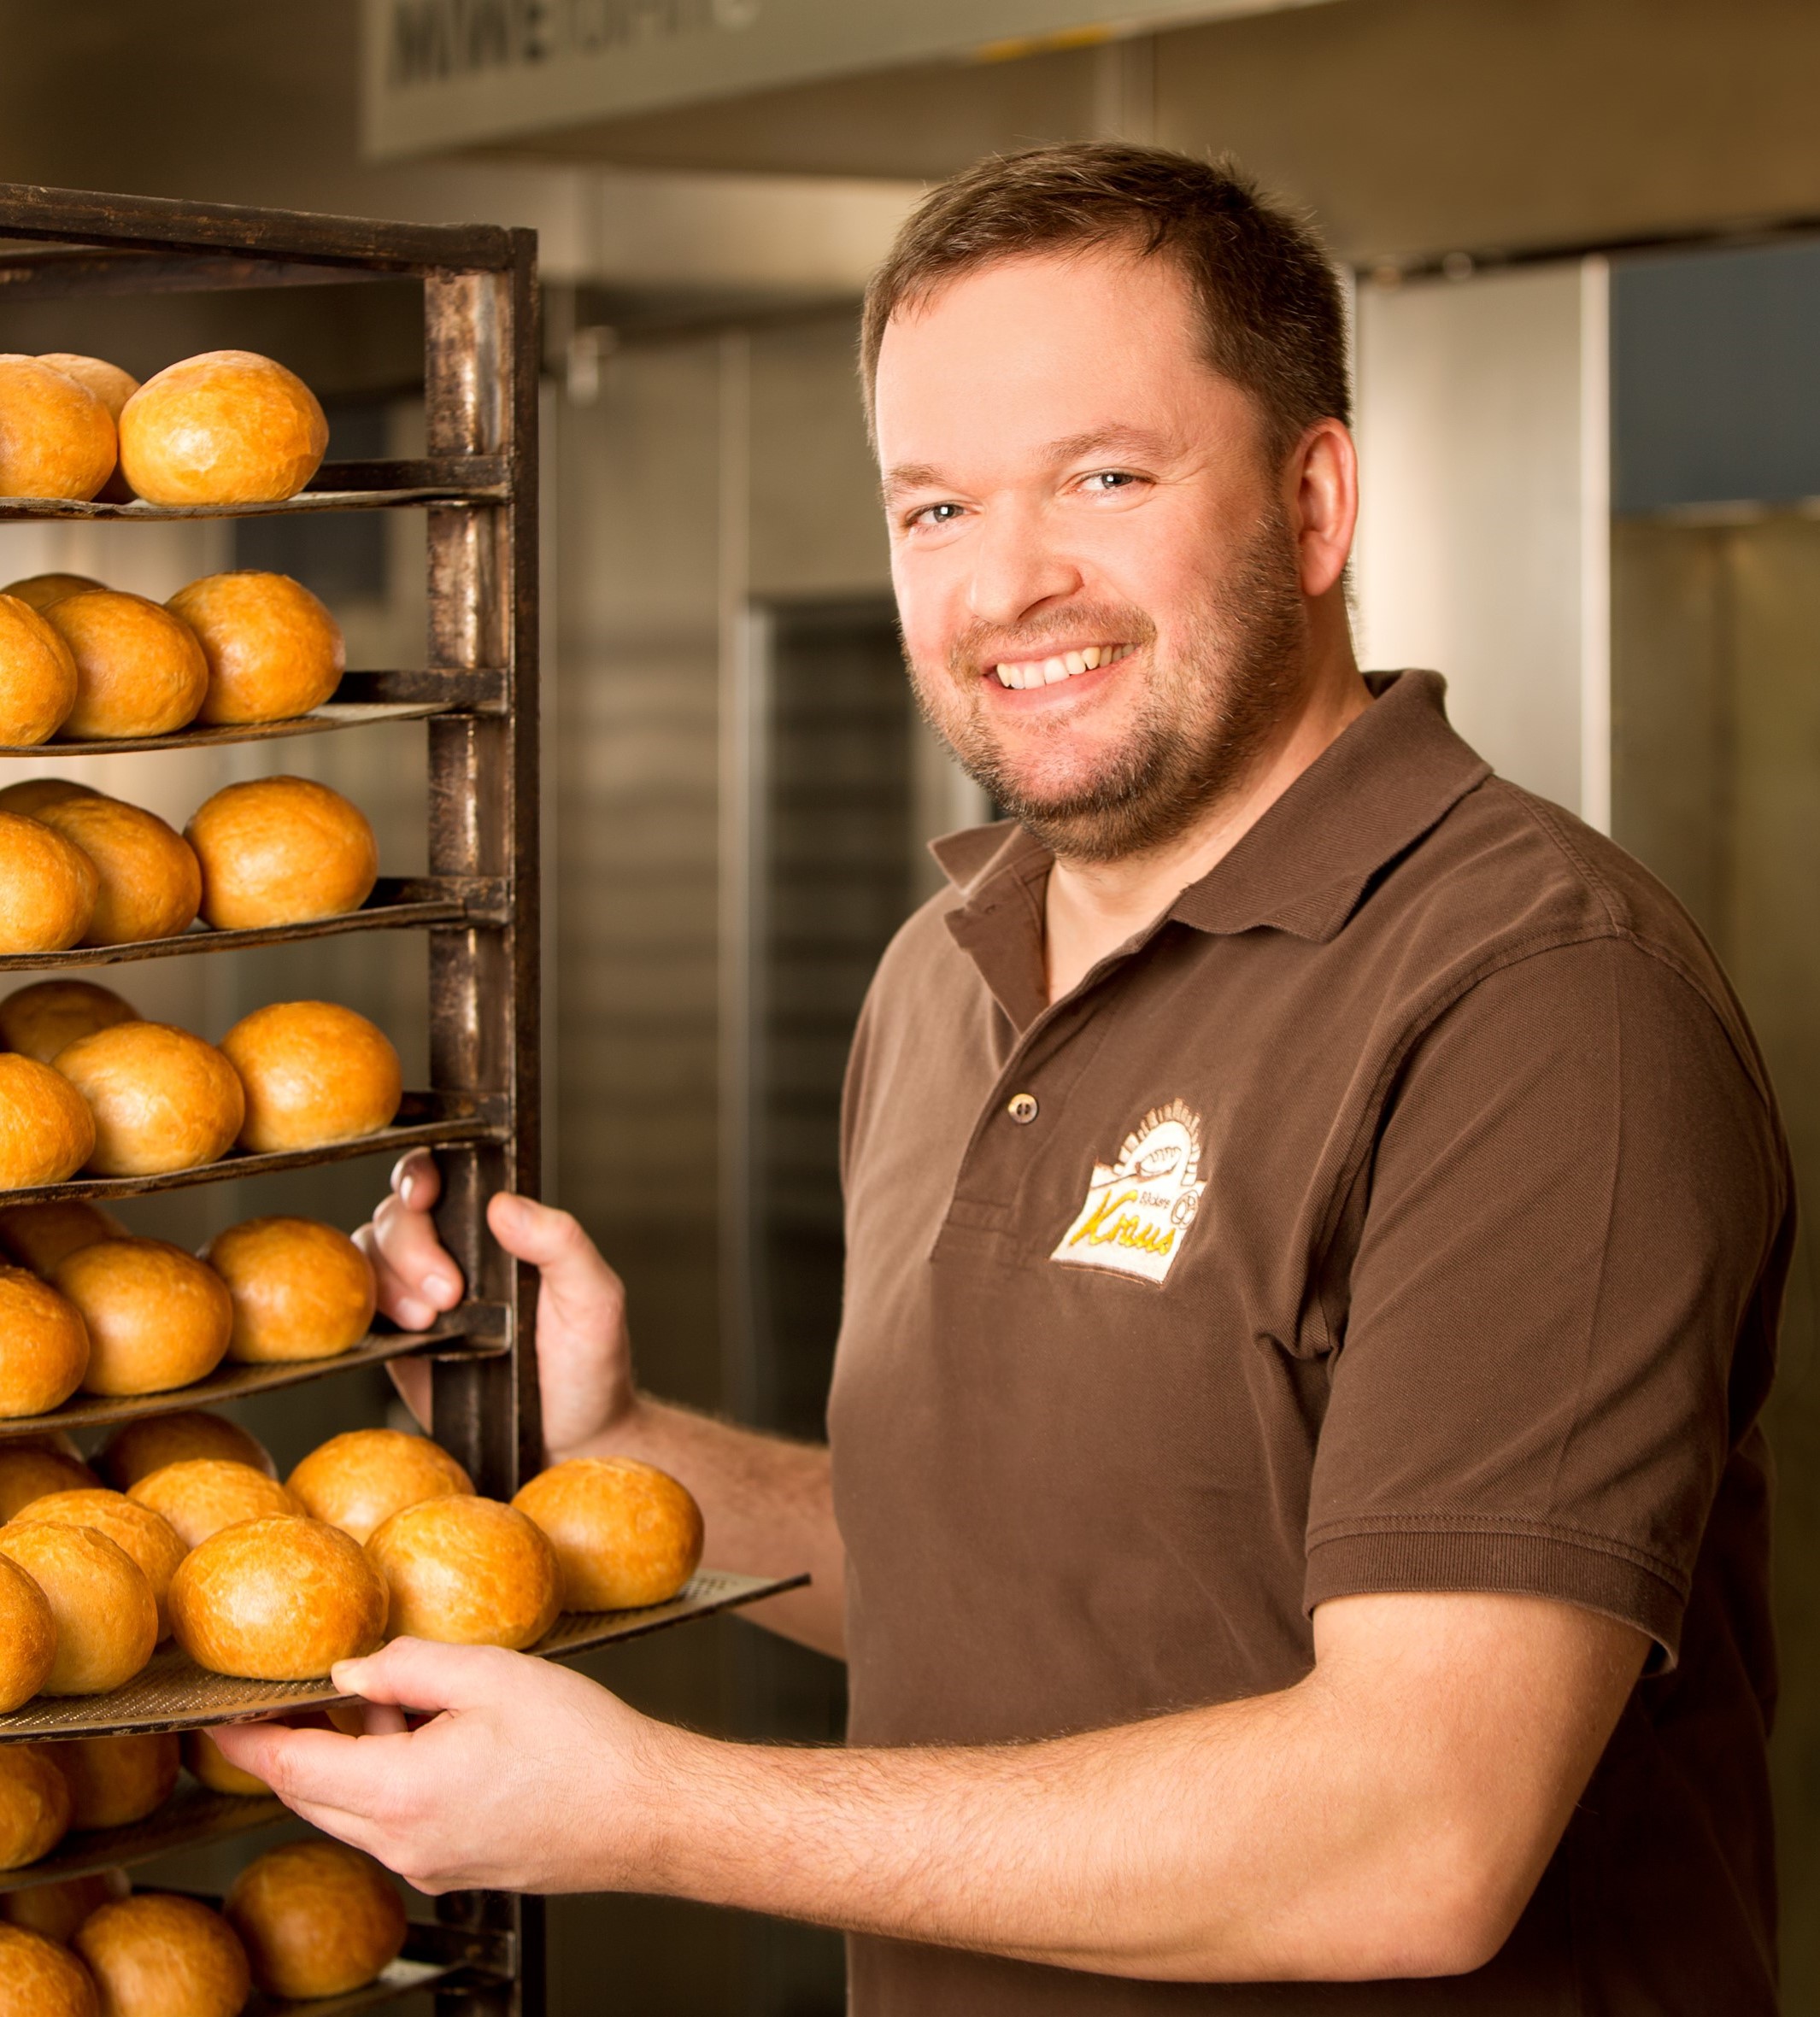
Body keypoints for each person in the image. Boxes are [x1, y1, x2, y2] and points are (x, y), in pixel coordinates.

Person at [220, 145, 1792, 2014]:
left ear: (1314, 497)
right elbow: (1023, 1595)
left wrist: (652, 1808)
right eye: (937, 505)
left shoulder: (1535, 1002)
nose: (1007, 583)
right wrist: (623, 1449)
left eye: (1105, 479)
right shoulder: (944, 970)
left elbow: (1420, 1832)